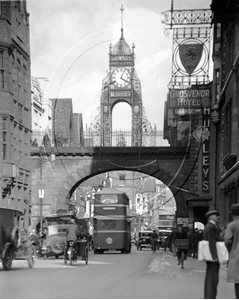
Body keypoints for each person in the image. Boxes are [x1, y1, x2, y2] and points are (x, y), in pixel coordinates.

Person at [203, 209, 222, 299]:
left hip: (211, 256)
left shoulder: (210, 226)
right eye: (216, 215)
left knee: (212, 278)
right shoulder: (211, 227)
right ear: (211, 217)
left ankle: (210, 296)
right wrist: (215, 256)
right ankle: (210, 296)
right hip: (212, 257)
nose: (218, 217)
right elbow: (211, 242)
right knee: (212, 279)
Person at [224, 203, 239, 299]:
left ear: (233, 214)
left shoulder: (232, 225)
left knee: (238, 281)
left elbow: (227, 240)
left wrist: (231, 251)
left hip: (237, 257)